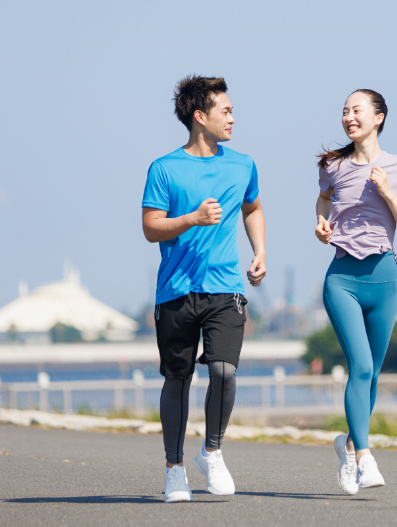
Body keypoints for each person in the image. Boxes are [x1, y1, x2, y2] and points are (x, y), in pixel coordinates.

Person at [141, 75, 266, 503]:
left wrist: (260, 250)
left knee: (224, 372)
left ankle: (211, 452)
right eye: (225, 110)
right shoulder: (164, 168)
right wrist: (191, 219)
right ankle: (174, 469)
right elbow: (150, 228)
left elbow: (253, 207)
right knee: (177, 379)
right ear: (200, 116)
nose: (233, 117)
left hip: (225, 288)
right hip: (175, 291)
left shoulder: (243, 164)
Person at [314, 89, 397, 495]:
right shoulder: (333, 166)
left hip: (385, 280)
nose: (348, 117)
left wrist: (388, 193)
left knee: (372, 373)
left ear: (379, 118)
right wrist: (321, 225)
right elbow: (322, 203)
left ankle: (347, 444)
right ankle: (364, 457)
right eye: (344, 111)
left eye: (356, 110)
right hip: (342, 279)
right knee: (359, 366)